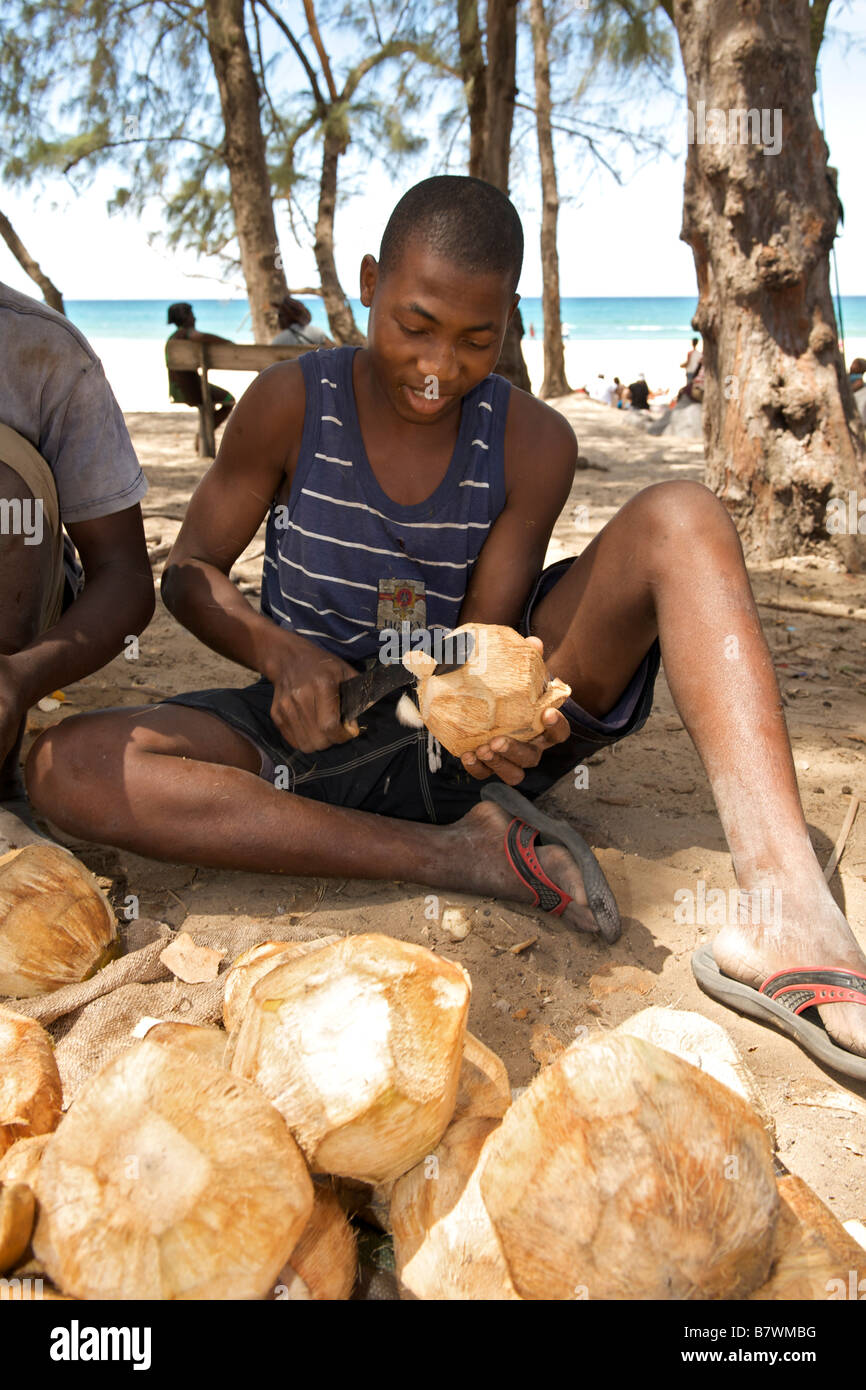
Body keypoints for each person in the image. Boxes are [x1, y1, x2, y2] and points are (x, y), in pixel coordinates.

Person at [26, 176, 866, 1079]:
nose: (438, 366)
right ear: (369, 282)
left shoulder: (532, 442)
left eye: (477, 339)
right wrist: (279, 655)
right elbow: (188, 572)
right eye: (414, 325)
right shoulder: (289, 404)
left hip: (452, 738)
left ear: (511, 321)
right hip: (303, 722)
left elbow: (482, 637)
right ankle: (462, 857)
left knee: (683, 514)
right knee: (64, 768)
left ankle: (788, 909)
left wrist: (500, 714)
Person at [0, 280, 154, 850]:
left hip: (21, 599)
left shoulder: (38, 347)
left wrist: (21, 677)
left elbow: (127, 576)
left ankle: (0, 784)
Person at [165, 303, 236, 443]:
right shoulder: (185, 334)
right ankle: (204, 433)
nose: (195, 318)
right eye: (192, 315)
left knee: (217, 400)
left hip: (177, 389)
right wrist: (226, 342)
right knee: (229, 400)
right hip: (191, 389)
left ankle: (204, 433)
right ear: (185, 318)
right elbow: (198, 336)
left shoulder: (173, 338)